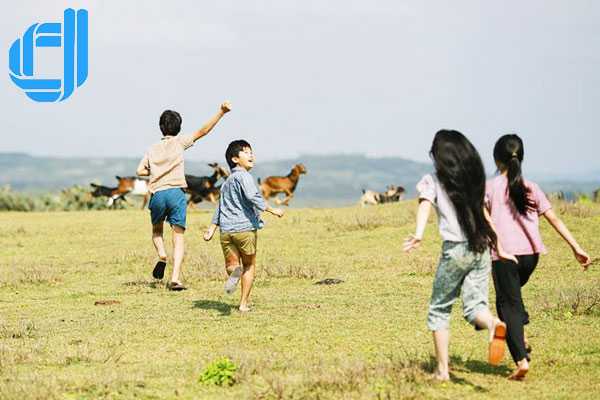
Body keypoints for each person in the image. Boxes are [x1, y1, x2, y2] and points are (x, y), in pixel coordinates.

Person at [403, 129, 509, 381]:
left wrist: (418, 234)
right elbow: (485, 215)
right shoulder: (473, 181)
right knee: (475, 307)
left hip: (456, 249)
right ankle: (494, 324)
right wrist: (500, 247)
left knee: (439, 310)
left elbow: (425, 204)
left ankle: (442, 371)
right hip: (481, 247)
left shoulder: (433, 180)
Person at [486, 134, 592, 380]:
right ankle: (520, 333)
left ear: (496, 158)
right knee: (510, 298)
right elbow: (554, 218)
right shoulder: (531, 186)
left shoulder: (489, 187)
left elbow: (483, 218)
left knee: (507, 305)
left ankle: (521, 359)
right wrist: (576, 247)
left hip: (504, 255)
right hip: (531, 257)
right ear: (520, 157)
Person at [136, 102, 231, 290]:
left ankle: (162, 255)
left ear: (161, 127)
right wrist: (221, 112)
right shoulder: (180, 142)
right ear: (179, 128)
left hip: (157, 193)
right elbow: (203, 131)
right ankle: (175, 278)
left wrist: (155, 172)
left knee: (156, 231)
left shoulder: (152, 148)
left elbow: (139, 171)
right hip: (176, 192)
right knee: (178, 237)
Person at [204, 140, 284, 311]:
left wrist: (212, 227)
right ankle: (243, 304)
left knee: (231, 265)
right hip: (245, 229)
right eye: (246, 152)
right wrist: (271, 210)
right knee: (249, 265)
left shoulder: (227, 182)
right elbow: (252, 196)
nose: (251, 155)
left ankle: (234, 271)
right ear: (235, 159)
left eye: (251, 152)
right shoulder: (244, 177)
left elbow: (220, 205)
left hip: (226, 231)